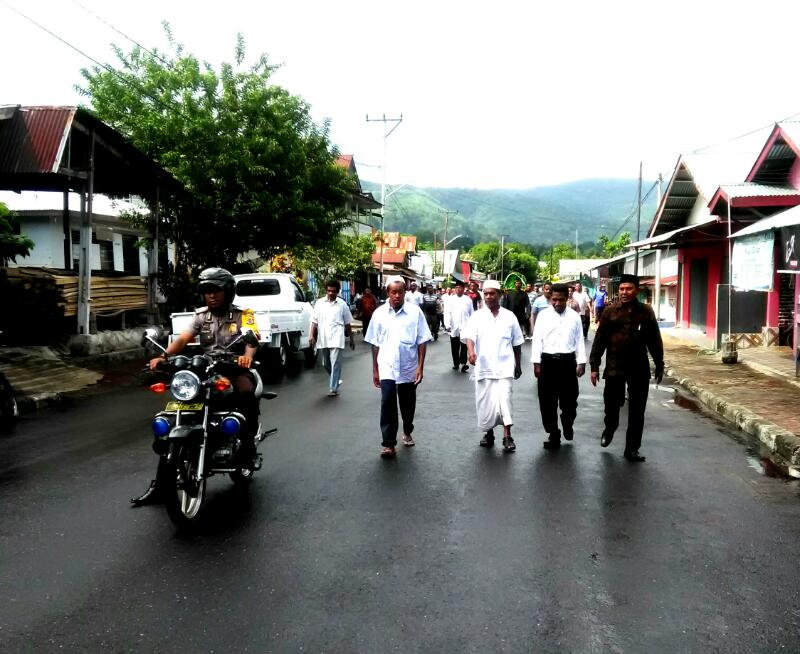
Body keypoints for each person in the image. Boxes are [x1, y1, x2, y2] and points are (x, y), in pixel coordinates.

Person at [132, 267, 260, 506]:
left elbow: (252, 339)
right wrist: (164, 356)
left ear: (228, 292)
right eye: (207, 291)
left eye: (216, 291)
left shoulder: (244, 314)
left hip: (234, 367)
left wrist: (247, 356)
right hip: (207, 367)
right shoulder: (201, 316)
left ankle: (248, 446)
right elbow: (183, 338)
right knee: (178, 412)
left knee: (245, 392)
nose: (211, 296)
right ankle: (161, 484)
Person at [589, 274, 664, 462]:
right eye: (621, 289)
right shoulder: (610, 312)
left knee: (637, 410)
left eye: (628, 289)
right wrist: (595, 365)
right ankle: (610, 427)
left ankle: (632, 448)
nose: (624, 292)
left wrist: (659, 363)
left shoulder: (646, 312)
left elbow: (654, 340)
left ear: (636, 290)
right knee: (611, 403)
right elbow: (600, 340)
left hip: (639, 367)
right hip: (615, 366)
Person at [365, 276, 432, 459]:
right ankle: (388, 444)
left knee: (407, 403)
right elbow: (374, 344)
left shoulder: (415, 312)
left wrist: (420, 367)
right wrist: (375, 370)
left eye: (400, 292)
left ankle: (407, 429)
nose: (397, 296)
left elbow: (422, 341)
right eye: (393, 292)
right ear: (387, 293)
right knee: (387, 402)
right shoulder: (379, 314)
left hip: (408, 366)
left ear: (405, 293)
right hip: (386, 365)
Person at [463, 280, 524, 452]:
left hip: (505, 367)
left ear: (500, 294)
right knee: (485, 403)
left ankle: (507, 436)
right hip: (483, 367)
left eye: (492, 293)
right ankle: (488, 433)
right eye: (486, 293)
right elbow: (470, 337)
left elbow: (517, 343)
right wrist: (470, 352)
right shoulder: (477, 316)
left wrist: (517, 365)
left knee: (505, 400)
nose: (489, 296)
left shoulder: (509, 316)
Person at [531, 283, 586, 450]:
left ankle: (567, 423)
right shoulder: (543, 316)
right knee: (547, 402)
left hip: (568, 362)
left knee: (570, 401)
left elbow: (579, 341)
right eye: (554, 300)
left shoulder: (574, 316)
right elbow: (537, 340)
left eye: (561, 300)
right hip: (548, 362)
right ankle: (553, 433)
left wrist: (581, 361)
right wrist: (536, 363)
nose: (557, 303)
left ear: (567, 298)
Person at [310, 279, 355, 397]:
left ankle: (333, 388)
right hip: (323, 337)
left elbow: (348, 323)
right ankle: (335, 379)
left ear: (337, 292)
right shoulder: (319, 303)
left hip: (337, 337)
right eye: (329, 291)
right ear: (326, 290)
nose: (331, 293)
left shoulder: (342, 304)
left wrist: (351, 338)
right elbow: (314, 322)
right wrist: (311, 336)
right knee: (325, 363)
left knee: (335, 363)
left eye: (333, 291)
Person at [444, 280, 474, 372]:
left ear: (463, 289)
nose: (458, 289)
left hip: (465, 326)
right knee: (454, 345)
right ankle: (456, 363)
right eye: (456, 288)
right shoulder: (450, 300)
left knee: (464, 345)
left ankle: (464, 363)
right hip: (454, 326)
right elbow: (447, 312)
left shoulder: (468, 299)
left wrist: (472, 324)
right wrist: (447, 324)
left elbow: (471, 313)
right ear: (455, 289)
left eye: (460, 288)